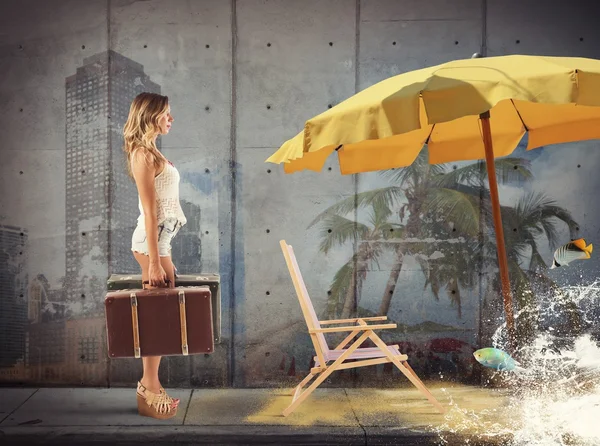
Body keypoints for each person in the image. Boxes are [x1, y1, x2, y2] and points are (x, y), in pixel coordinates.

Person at [122, 92, 187, 419]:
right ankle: (149, 388)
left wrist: (162, 253)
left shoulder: (151, 150)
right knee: (157, 318)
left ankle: (151, 385)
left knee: (160, 317)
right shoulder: (142, 155)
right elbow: (149, 212)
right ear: (150, 115)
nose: (171, 119)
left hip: (160, 244)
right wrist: (153, 262)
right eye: (166, 114)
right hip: (151, 245)